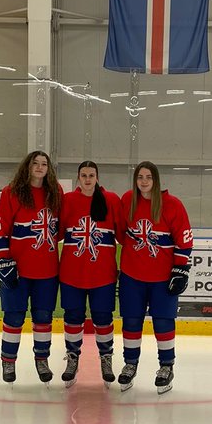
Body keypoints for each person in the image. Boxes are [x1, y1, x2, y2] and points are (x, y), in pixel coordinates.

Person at [117, 160, 193, 395]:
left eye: (148, 177)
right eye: (140, 177)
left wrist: (180, 269)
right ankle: (130, 363)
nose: (144, 181)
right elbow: (121, 234)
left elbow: (185, 240)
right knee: (131, 321)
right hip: (132, 276)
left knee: (162, 322)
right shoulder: (128, 200)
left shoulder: (172, 205)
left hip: (161, 278)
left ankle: (166, 366)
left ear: (156, 180)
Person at [0, 150, 63, 384]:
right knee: (14, 317)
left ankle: (41, 360)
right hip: (18, 270)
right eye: (36, 163)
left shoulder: (56, 192)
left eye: (44, 164)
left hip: (47, 270)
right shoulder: (11, 192)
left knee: (43, 317)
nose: (40, 167)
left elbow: (60, 229)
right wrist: (3, 261)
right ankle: (8, 361)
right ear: (28, 166)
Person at [58, 160, 125, 387]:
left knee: (103, 318)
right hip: (71, 273)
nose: (87, 179)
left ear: (97, 177)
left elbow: (124, 234)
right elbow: (55, 233)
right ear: (78, 178)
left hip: (103, 274)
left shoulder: (111, 200)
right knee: (73, 317)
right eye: (84, 175)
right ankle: (72, 357)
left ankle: (106, 357)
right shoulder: (67, 201)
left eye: (91, 175)